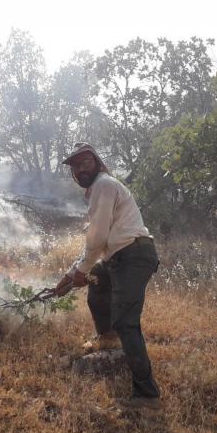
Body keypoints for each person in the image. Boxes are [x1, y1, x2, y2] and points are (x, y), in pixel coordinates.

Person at [55, 142, 161, 403]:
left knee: (126, 322)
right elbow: (96, 242)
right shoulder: (99, 189)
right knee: (99, 281)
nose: (80, 169)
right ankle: (108, 339)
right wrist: (70, 275)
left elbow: (97, 239)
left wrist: (78, 272)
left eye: (85, 163)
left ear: (98, 163)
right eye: (75, 166)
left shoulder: (104, 185)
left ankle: (147, 394)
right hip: (119, 256)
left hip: (133, 256)